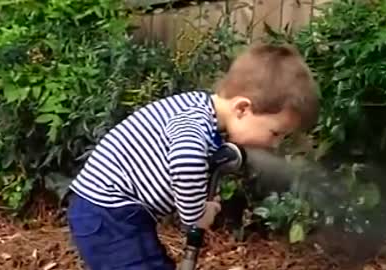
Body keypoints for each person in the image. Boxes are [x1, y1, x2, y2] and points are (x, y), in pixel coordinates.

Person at [66, 42, 319, 270]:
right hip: (108, 213)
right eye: (275, 133)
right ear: (243, 108)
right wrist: (197, 214)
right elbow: (186, 162)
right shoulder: (194, 124)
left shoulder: (201, 112)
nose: (275, 144)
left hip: (109, 212)